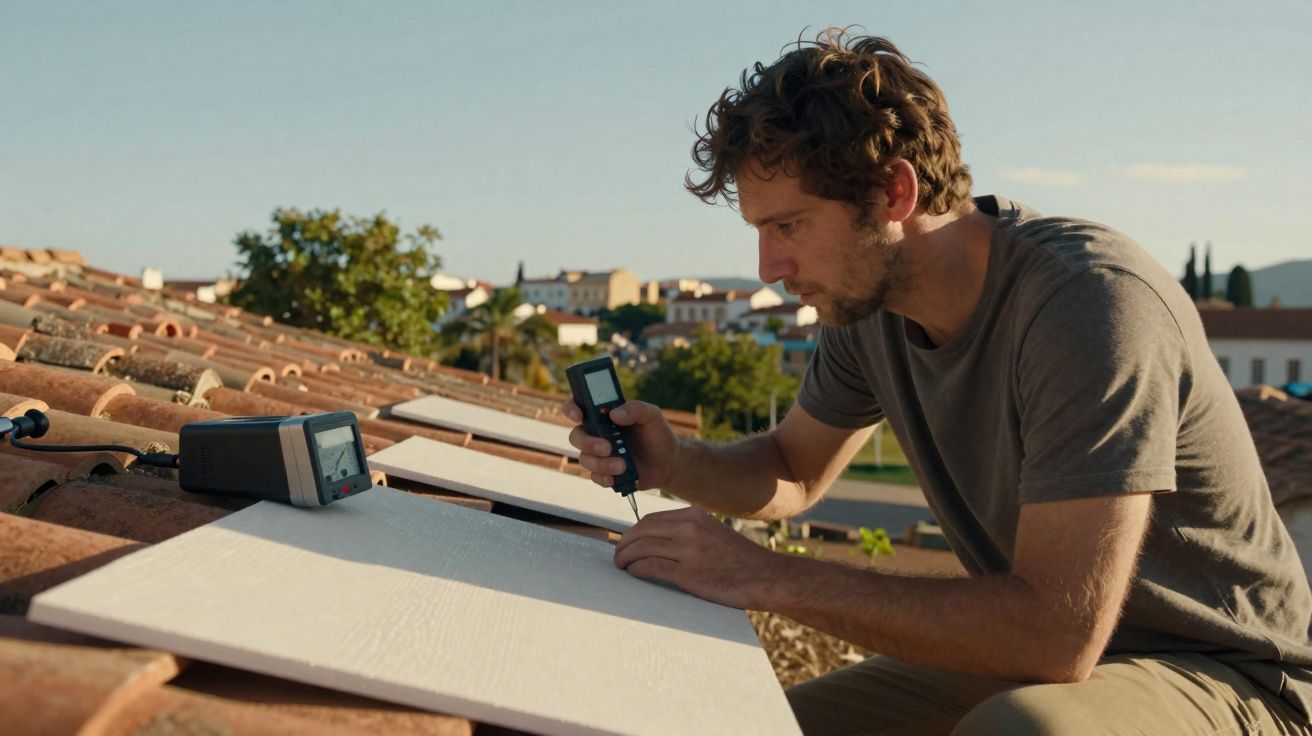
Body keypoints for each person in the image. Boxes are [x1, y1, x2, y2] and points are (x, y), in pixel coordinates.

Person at [562, 29, 1312, 735]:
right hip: (1044, 655)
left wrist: (765, 576)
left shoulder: (1088, 304)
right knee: (766, 727)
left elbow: (1057, 633)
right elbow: (794, 469)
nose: (768, 269)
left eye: (789, 226)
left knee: (1018, 731)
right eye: (760, 232)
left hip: (1227, 672)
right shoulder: (867, 304)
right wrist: (675, 462)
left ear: (895, 193)